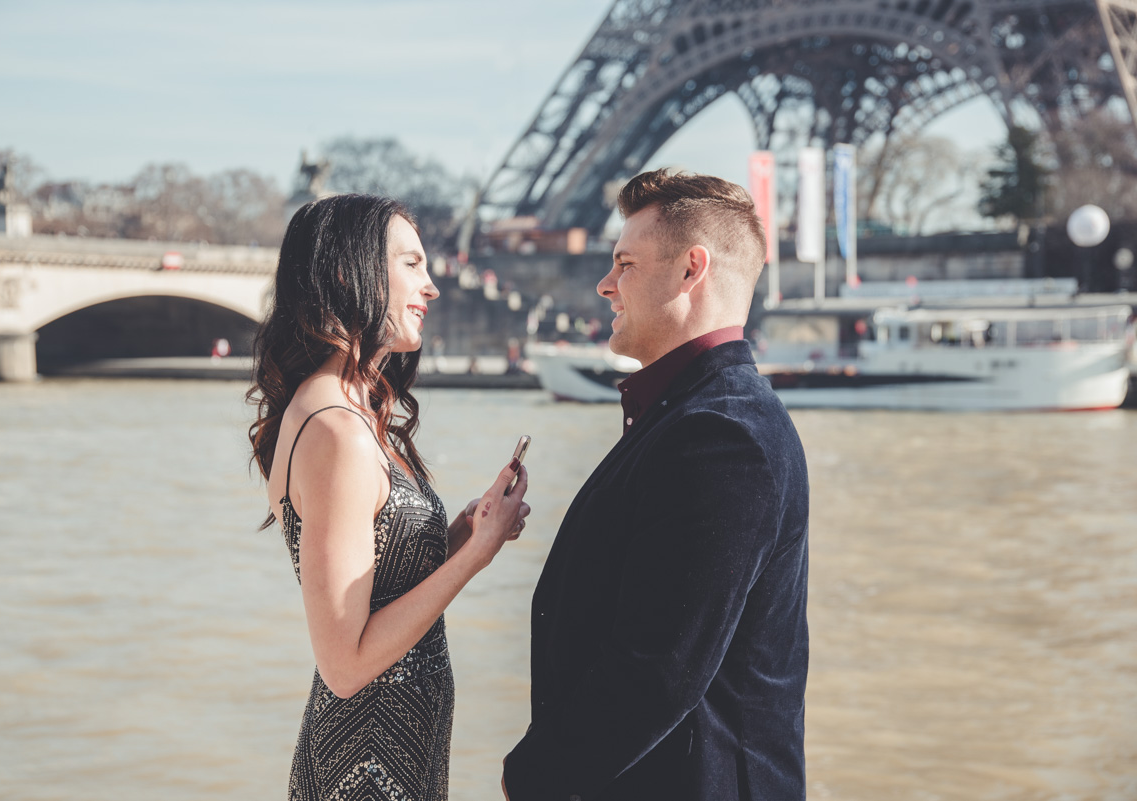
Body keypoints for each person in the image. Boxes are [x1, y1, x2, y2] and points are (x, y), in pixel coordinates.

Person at [502, 169, 809, 801]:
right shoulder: (699, 417)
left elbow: (658, 668)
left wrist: (534, 776)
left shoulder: (721, 438)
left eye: (625, 263)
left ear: (691, 269)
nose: (605, 283)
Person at [247, 194, 531, 801]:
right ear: (352, 273)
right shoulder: (336, 429)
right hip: (369, 766)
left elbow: (380, 586)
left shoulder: (350, 409)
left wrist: (461, 536)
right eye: (412, 265)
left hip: (393, 749)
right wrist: (475, 556)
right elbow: (345, 666)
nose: (431, 287)